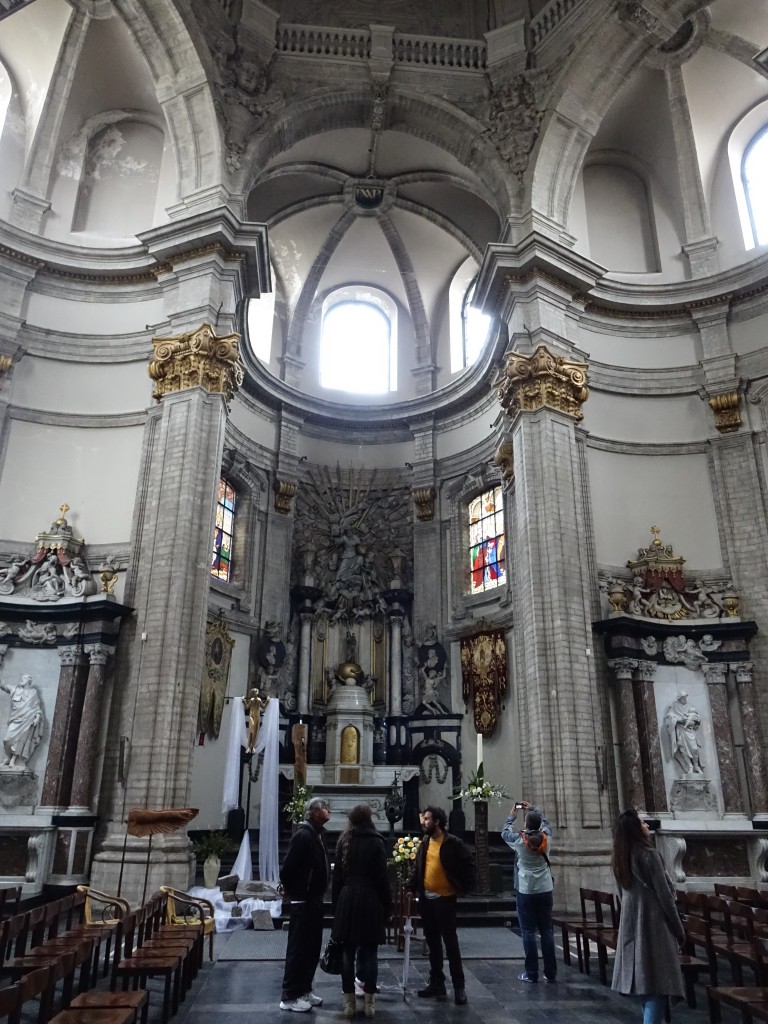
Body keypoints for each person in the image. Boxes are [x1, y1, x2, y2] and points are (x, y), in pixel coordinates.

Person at [611, 809, 685, 1024]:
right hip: (653, 927)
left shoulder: (619, 857)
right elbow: (665, 896)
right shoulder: (649, 855)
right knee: (658, 986)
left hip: (631, 924)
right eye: (643, 823)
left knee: (646, 985)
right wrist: (678, 929)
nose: (647, 826)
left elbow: (621, 895)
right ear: (635, 829)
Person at [407, 805, 474, 1005]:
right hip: (427, 900)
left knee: (450, 944)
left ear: (437, 821)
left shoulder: (453, 843)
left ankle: (459, 987)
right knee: (433, 943)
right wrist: (411, 887)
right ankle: (437, 983)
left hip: (445, 899)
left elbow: (469, 866)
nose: (423, 822)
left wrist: (462, 887)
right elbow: (418, 866)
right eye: (423, 819)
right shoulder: (425, 842)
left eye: (427, 819)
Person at [331, 805, 390, 1019]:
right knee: (371, 952)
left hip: (347, 899)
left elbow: (337, 877)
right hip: (370, 899)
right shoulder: (377, 842)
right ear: (370, 819)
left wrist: (336, 905)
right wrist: (387, 905)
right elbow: (383, 879)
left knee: (347, 953)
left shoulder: (344, 841)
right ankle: (369, 1004)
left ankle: (348, 1003)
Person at [279, 797, 331, 1013]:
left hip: (314, 899)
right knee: (298, 950)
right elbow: (288, 868)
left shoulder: (316, 834)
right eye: (325, 807)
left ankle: (304, 989)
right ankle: (289, 997)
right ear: (314, 811)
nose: (329, 810)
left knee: (311, 949)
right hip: (303, 900)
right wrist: (297, 890)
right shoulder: (303, 835)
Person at [501, 801, 556, 983]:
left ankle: (532, 973)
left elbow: (504, 832)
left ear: (525, 825)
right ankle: (550, 972)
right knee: (547, 931)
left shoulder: (519, 841)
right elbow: (547, 824)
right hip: (545, 889)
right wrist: (533, 809)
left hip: (526, 891)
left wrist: (512, 815)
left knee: (528, 932)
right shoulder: (546, 837)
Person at [1, 674, 44, 768]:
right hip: (15, 718)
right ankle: (8, 757)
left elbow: (36, 707)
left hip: (28, 719)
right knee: (7, 739)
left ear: (28, 681)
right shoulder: (15, 689)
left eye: (24, 678)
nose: (22, 680)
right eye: (22, 678)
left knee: (20, 740)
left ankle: (13, 760)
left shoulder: (33, 692)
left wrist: (37, 717)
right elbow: (3, 685)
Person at [664, 692, 703, 774]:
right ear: (679, 698)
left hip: (690, 730)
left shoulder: (690, 705)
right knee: (683, 749)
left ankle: (696, 765)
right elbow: (669, 716)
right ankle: (690, 766)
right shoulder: (674, 705)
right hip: (681, 729)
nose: (684, 699)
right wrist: (678, 719)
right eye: (682, 697)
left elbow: (697, 716)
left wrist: (693, 719)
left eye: (685, 697)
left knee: (694, 749)